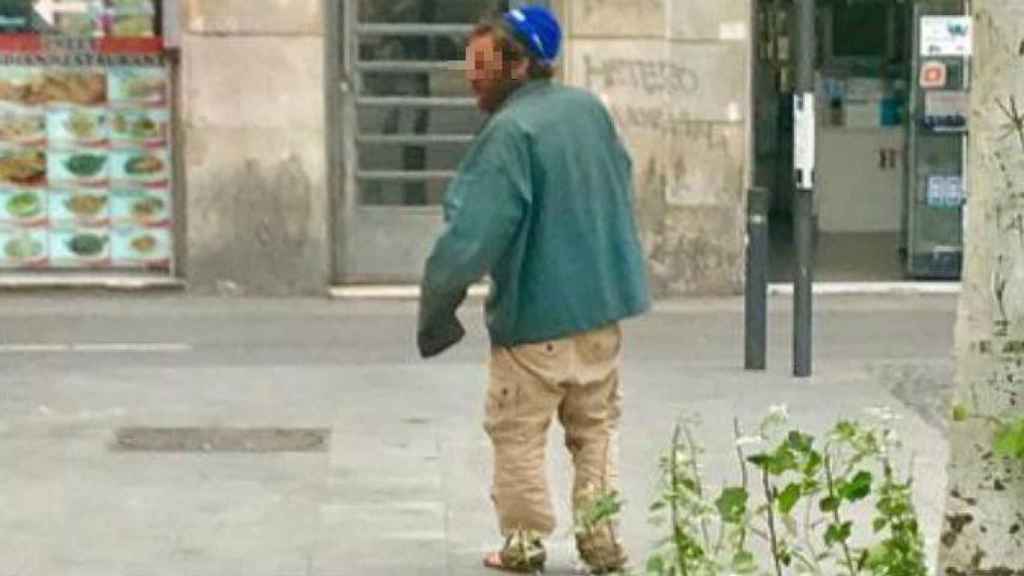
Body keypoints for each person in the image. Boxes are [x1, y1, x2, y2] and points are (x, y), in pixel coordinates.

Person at [417, 5, 650, 573]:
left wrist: (437, 309)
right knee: (594, 431)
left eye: (481, 63)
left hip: (534, 322)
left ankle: (523, 545)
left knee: (517, 432)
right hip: (599, 314)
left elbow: (472, 235)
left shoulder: (509, 132)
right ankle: (601, 543)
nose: (469, 75)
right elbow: (617, 186)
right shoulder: (588, 111)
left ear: (518, 66)